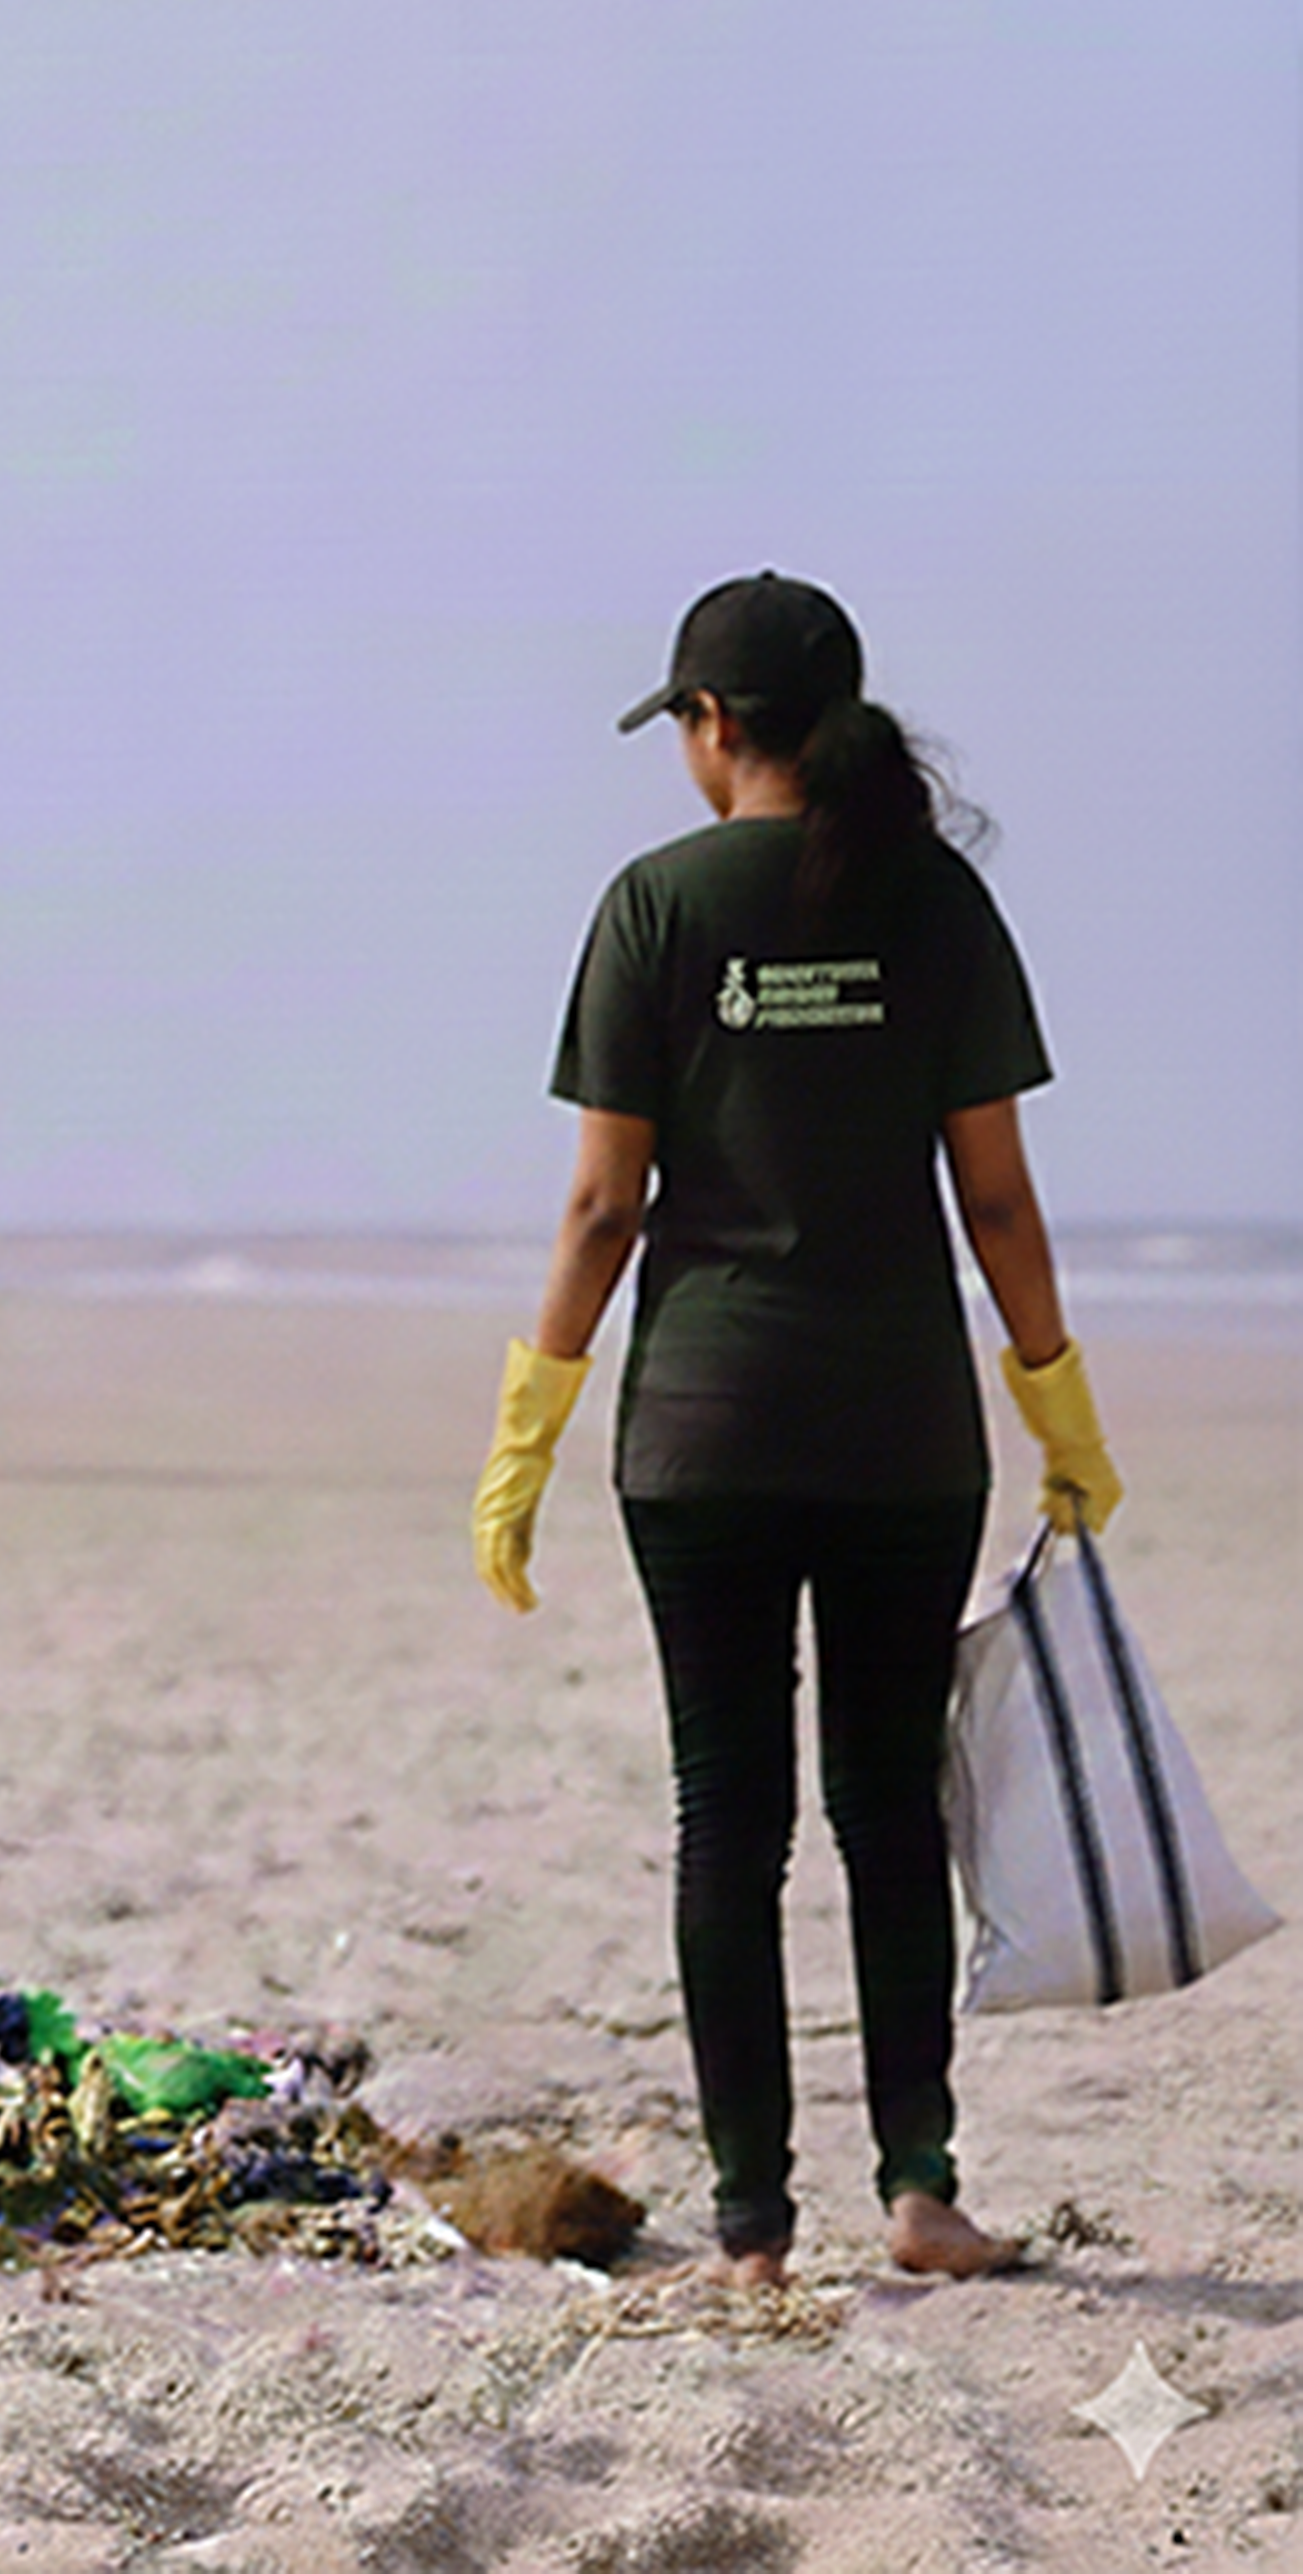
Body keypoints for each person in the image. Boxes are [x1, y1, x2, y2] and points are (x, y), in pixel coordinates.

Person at [473, 570, 1122, 2291]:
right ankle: (920, 2188)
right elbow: (995, 1201)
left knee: (727, 1818)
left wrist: (529, 1422)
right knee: (888, 1812)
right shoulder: (935, 899)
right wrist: (1055, 1394)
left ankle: (754, 2233)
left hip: (703, 1437)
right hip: (905, 1433)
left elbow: (606, 1209)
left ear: (711, 727)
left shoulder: (654, 906)